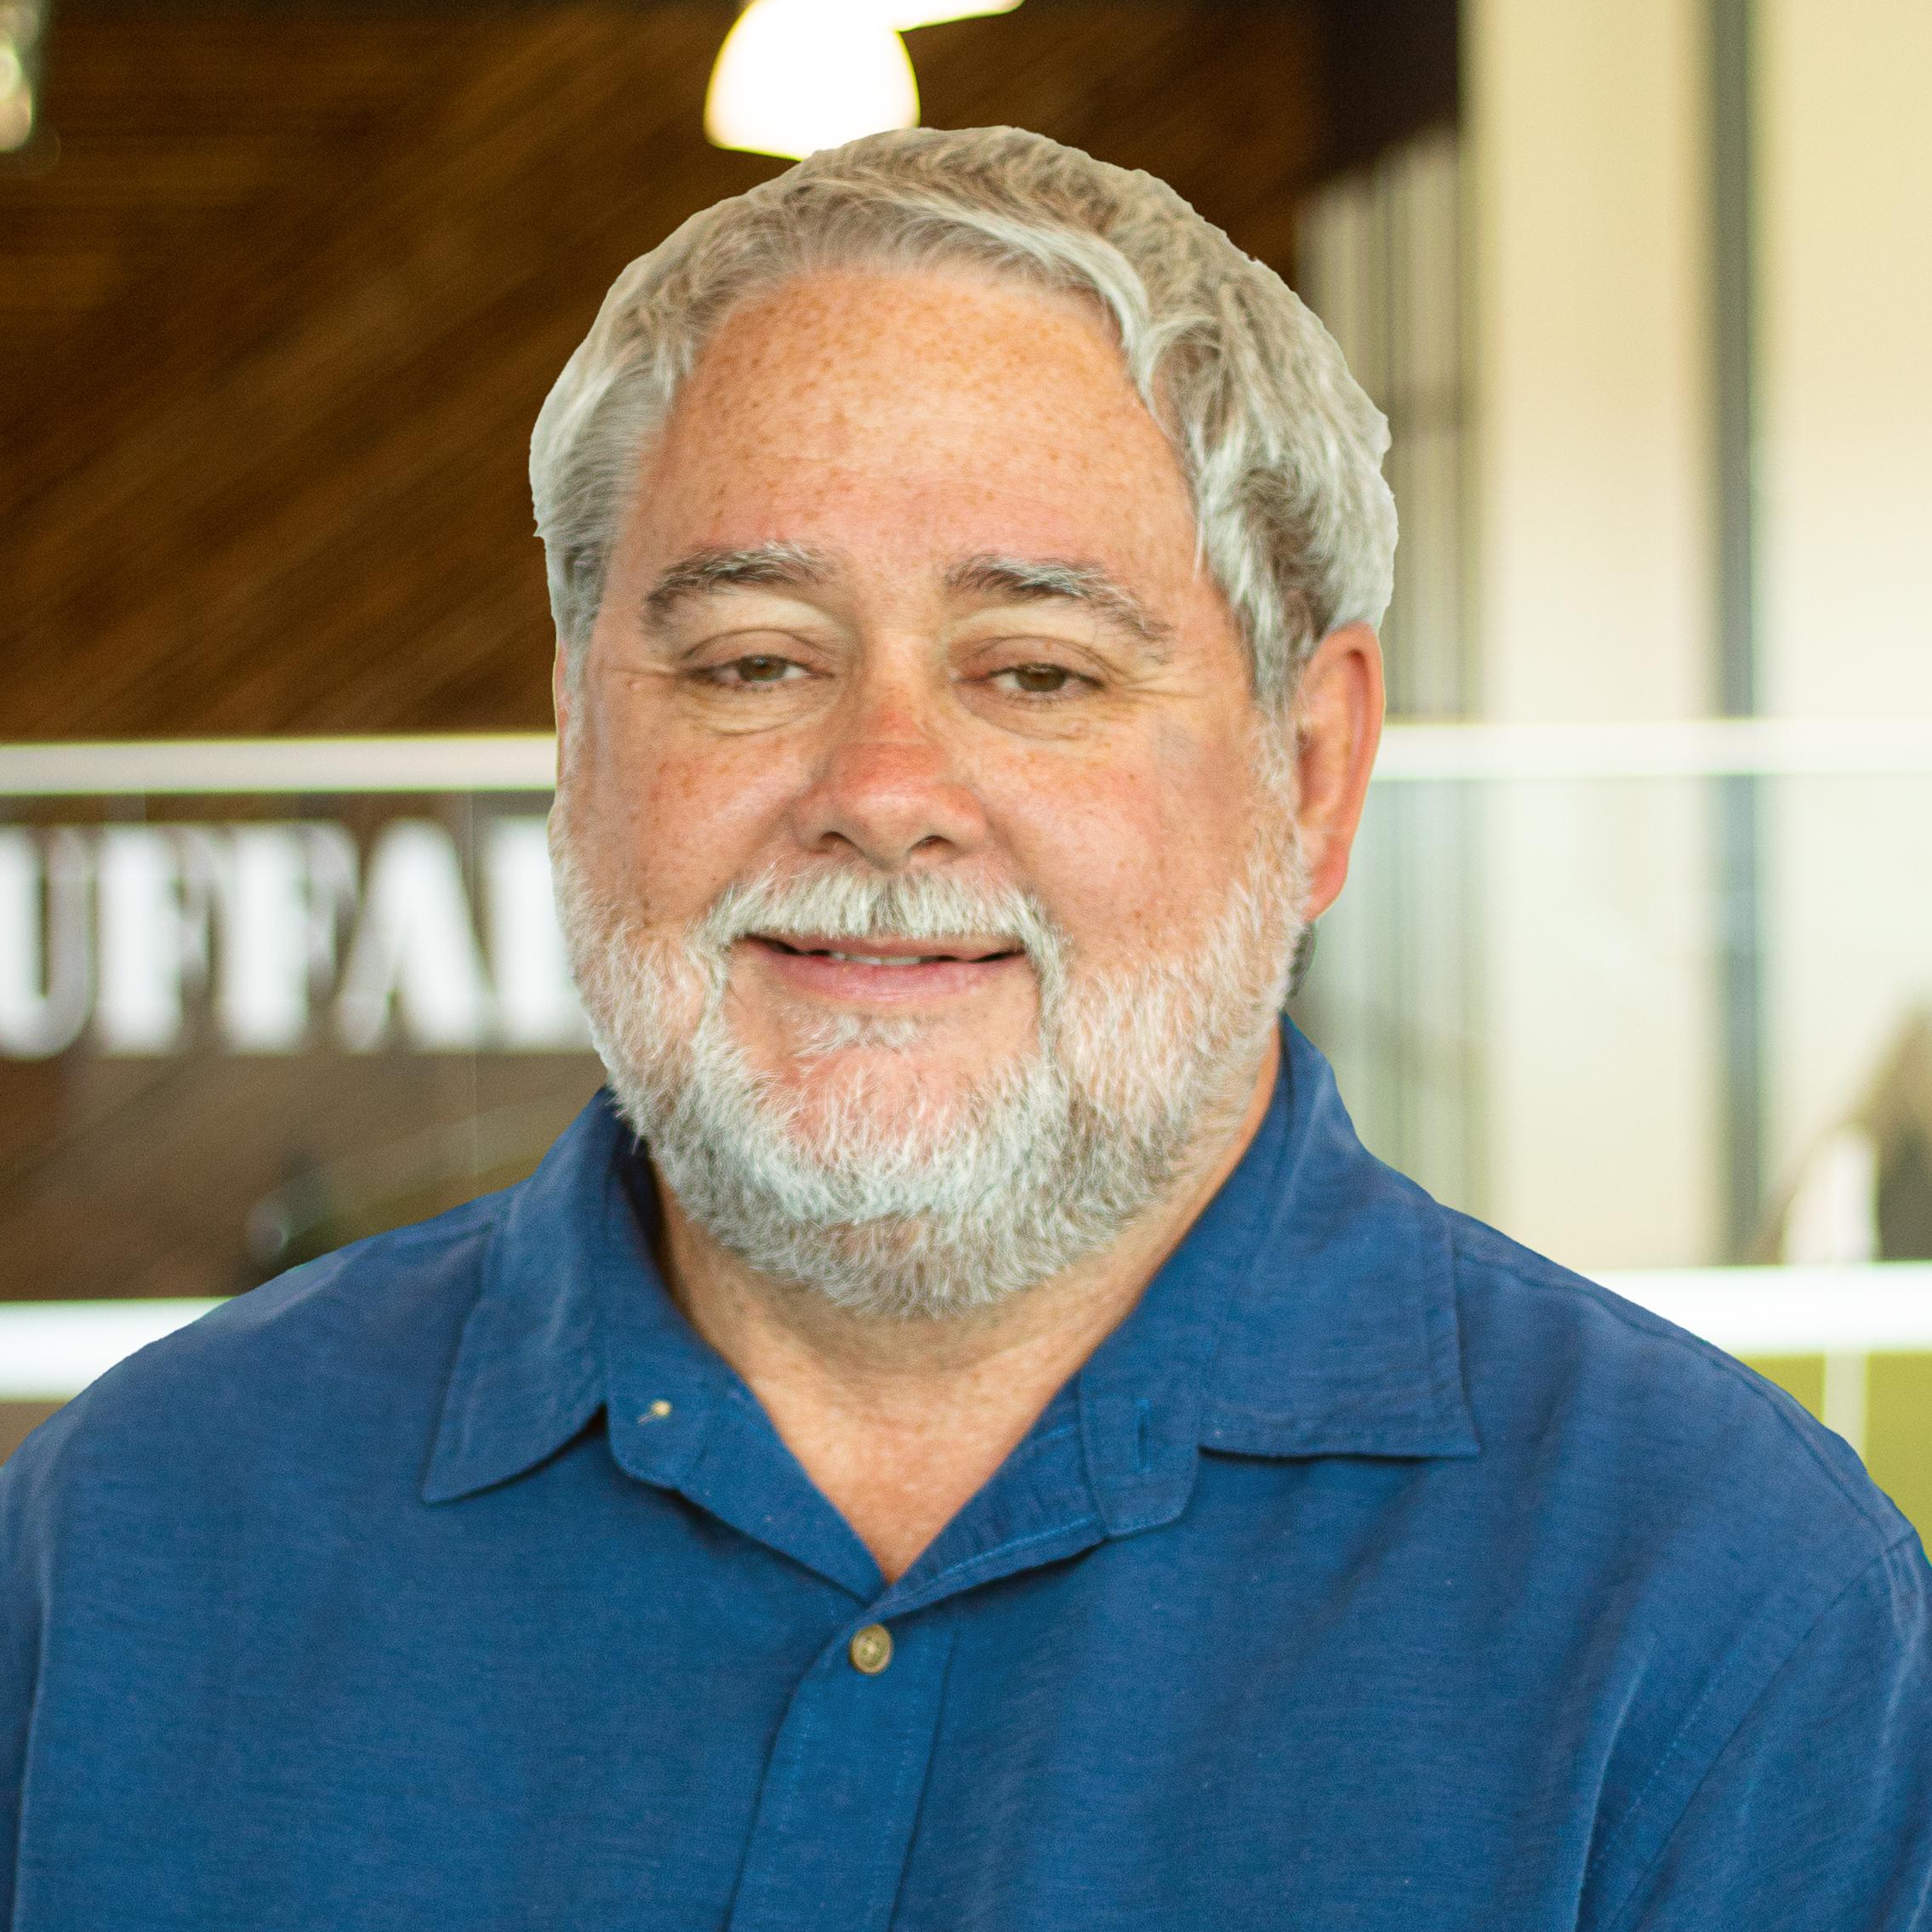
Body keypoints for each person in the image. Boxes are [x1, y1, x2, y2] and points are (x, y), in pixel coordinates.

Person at [3, 126, 1929, 1930]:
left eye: (1036, 668)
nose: (882, 785)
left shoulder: (1717, 1612)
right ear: (580, 735)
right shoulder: (123, 1548)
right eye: (755, 660)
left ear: (1314, 769)